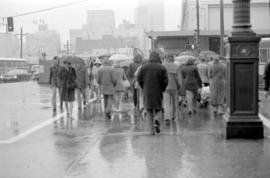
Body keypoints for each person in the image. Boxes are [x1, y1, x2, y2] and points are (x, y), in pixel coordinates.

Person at [137, 51, 168, 135]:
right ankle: (157, 119)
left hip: (147, 90)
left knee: (149, 109)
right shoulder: (162, 68)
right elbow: (165, 80)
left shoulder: (144, 67)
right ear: (158, 57)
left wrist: (143, 86)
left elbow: (139, 78)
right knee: (158, 108)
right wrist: (163, 88)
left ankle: (151, 131)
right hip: (158, 90)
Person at [163, 54, 181, 125]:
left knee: (166, 102)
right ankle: (173, 116)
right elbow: (177, 78)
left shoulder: (163, 66)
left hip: (165, 86)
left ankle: (167, 117)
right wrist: (179, 85)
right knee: (174, 102)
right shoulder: (176, 66)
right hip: (174, 86)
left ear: (167, 58)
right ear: (173, 58)